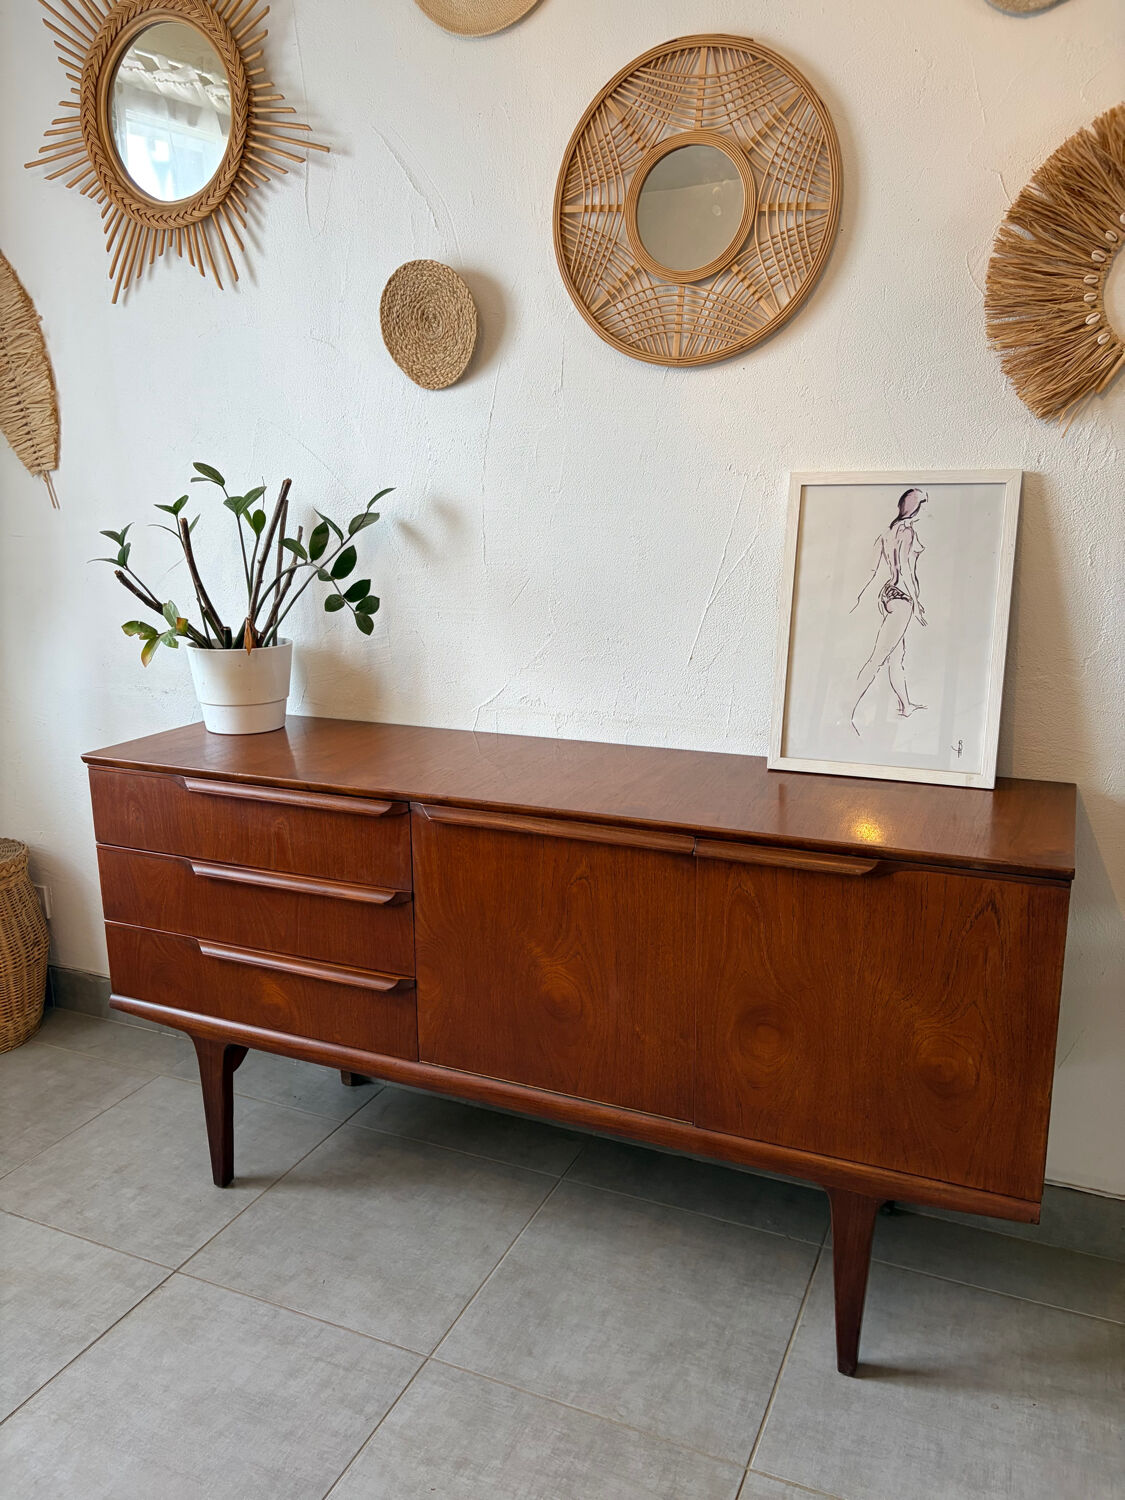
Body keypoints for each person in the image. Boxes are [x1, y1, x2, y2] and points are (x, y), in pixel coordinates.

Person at [849, 487, 929, 733]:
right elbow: (905, 570)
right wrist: (916, 604)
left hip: (887, 595)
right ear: (916, 507)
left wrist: (859, 596)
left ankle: (905, 705)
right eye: (923, 505)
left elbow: (871, 570)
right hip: (903, 597)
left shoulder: (886, 532)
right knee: (879, 658)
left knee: (896, 657)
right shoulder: (908, 532)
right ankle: (846, 710)